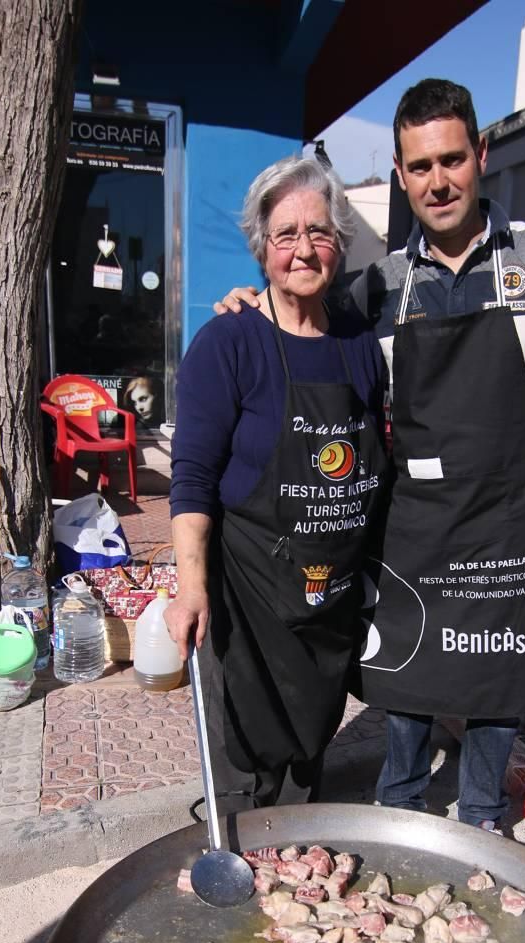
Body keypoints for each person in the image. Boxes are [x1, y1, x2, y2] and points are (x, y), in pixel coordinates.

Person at [214, 79, 525, 832]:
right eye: (420, 166)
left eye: (452, 160)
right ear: (400, 174)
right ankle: (399, 810)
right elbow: (301, 314)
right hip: (415, 519)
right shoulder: (378, 286)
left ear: (480, 156)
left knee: (501, 667)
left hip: (511, 513)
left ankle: (486, 814)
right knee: (408, 670)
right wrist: (249, 304)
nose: (438, 180)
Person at [165, 155, 388, 807]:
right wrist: (192, 590)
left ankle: (298, 882)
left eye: (317, 232)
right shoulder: (227, 342)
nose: (302, 249)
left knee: (307, 760)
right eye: (285, 234)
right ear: (261, 249)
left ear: (339, 244)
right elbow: (192, 479)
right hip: (249, 604)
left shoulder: (358, 343)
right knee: (248, 767)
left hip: (328, 602)